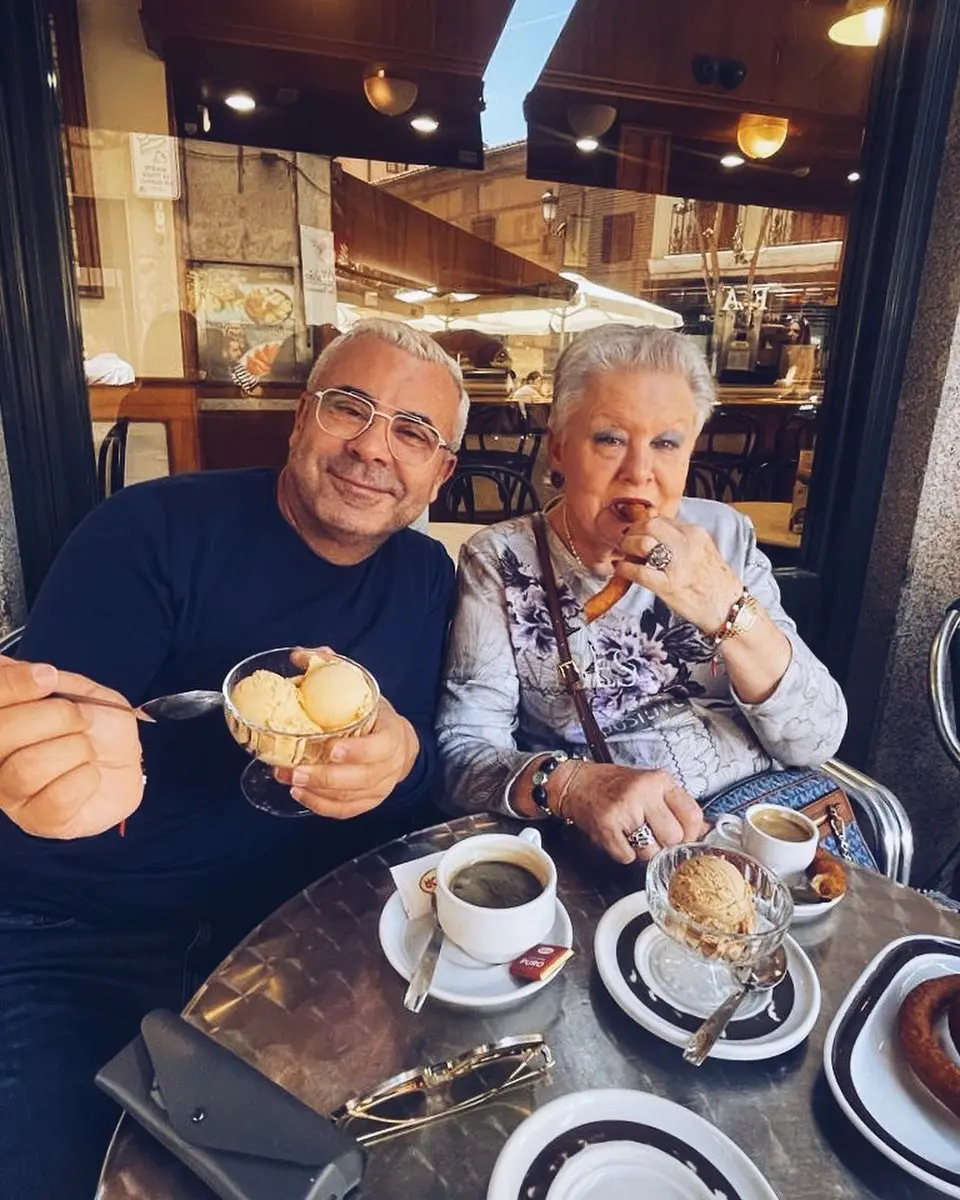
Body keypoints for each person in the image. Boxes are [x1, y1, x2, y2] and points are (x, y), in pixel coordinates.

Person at [0, 318, 466, 1200]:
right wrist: (41, 775)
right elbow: (53, 728)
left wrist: (402, 758)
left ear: (439, 474)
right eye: (349, 408)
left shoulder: (426, 579)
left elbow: (426, 772)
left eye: (413, 431)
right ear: (299, 419)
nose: (373, 448)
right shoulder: (153, 531)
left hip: (298, 937)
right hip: (78, 935)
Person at [437, 324, 847, 864]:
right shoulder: (502, 559)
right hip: (621, 851)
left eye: (666, 443)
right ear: (559, 449)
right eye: (609, 439)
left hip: (764, 831)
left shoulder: (725, 538)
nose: (639, 472)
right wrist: (574, 786)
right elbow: (463, 756)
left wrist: (725, 605)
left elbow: (815, 740)